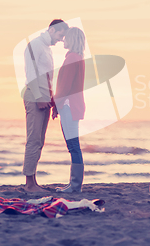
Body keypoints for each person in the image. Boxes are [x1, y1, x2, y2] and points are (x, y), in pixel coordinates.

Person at [22, 19, 69, 192]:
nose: (61, 40)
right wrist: (39, 97)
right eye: (60, 35)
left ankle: (33, 181)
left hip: (45, 98)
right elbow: (31, 73)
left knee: (40, 141)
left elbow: (48, 77)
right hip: (35, 98)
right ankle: (29, 184)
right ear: (51, 30)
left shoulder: (47, 49)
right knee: (33, 140)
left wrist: (52, 99)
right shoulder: (35, 45)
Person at [54, 27, 86, 193]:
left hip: (69, 106)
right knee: (73, 146)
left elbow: (65, 86)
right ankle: (74, 184)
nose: (63, 40)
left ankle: (75, 185)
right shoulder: (77, 57)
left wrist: (54, 103)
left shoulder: (73, 58)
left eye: (66, 38)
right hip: (72, 105)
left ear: (72, 39)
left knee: (73, 146)